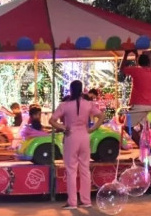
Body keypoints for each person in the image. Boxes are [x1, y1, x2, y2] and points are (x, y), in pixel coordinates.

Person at [51, 80, 105, 209]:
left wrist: (63, 127)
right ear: (81, 90)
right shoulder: (88, 104)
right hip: (84, 136)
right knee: (85, 169)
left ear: (70, 90)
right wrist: (93, 129)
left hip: (71, 136)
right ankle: (86, 200)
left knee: (71, 170)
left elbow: (52, 120)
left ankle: (72, 202)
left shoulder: (64, 105)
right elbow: (101, 117)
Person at [120, 51, 151, 131]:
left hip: (138, 105)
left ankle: (137, 139)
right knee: (147, 129)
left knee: (127, 127)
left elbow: (121, 69)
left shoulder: (135, 70)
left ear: (137, 62)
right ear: (148, 63)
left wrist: (126, 54)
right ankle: (143, 139)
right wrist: (137, 55)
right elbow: (140, 67)